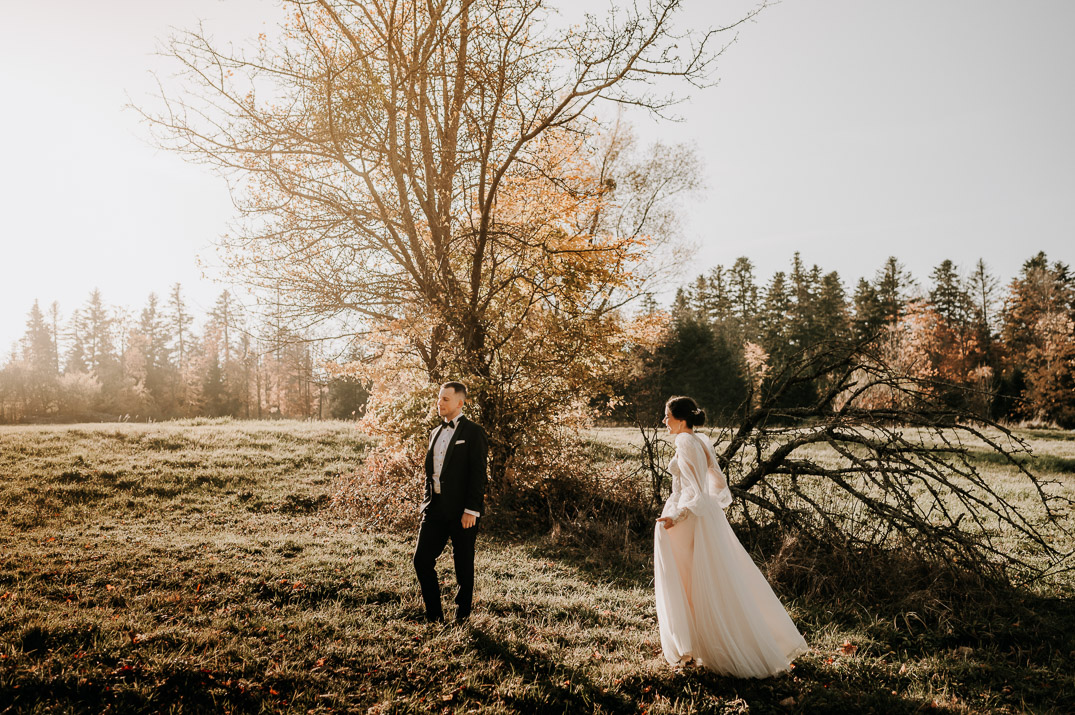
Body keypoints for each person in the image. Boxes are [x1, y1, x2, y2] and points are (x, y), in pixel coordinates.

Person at [654, 395, 809, 677]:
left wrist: (677, 516)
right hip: (703, 515)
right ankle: (700, 645)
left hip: (686, 517)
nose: (664, 421)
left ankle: (692, 648)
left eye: (667, 415)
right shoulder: (701, 440)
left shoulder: (685, 441)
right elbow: (717, 481)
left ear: (681, 418)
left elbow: (695, 490)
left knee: (684, 580)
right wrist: (709, 507)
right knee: (711, 579)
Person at [412, 381, 489, 623]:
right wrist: (427, 501)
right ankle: (434, 616)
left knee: (463, 564)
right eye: (439, 398)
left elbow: (478, 473)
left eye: (446, 399)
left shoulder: (474, 432)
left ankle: (462, 616)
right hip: (434, 509)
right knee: (421, 560)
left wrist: (471, 509)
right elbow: (432, 473)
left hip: (462, 511)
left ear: (460, 403)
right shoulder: (434, 433)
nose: (440, 403)